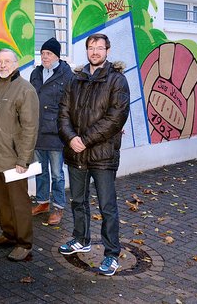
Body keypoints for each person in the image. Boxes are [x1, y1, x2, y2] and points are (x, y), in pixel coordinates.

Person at [57, 33, 130, 276]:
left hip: (102, 155)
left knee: (107, 206)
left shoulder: (117, 81)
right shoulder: (74, 80)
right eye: (91, 47)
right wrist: (71, 138)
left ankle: (111, 254)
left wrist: (84, 140)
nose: (95, 52)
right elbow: (63, 113)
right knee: (78, 201)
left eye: (100, 48)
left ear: (107, 50)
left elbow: (115, 118)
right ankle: (81, 239)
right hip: (76, 154)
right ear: (87, 50)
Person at [0, 48, 39, 262]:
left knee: (19, 203)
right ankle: (9, 234)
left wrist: (24, 160)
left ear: (16, 63)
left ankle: (24, 243)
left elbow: (30, 128)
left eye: (7, 61)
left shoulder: (25, 90)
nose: (2, 65)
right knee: (2, 200)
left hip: (14, 161)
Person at [29, 37, 74, 225]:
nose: (44, 57)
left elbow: (72, 105)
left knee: (57, 173)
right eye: (42, 54)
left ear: (57, 55)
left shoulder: (67, 75)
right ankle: (42, 202)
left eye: (48, 54)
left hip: (55, 132)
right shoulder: (36, 73)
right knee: (40, 171)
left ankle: (58, 207)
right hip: (38, 131)